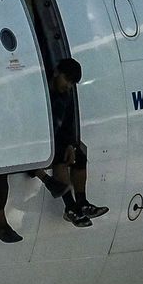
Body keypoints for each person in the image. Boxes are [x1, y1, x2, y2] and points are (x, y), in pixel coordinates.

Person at [45, 57, 107, 226]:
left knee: (79, 156)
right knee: (59, 158)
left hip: (59, 137)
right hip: (43, 139)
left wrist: (71, 145)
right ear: (57, 73)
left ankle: (82, 202)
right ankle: (70, 207)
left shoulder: (65, 94)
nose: (68, 86)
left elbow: (69, 122)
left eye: (72, 83)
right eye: (67, 80)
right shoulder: (43, 92)